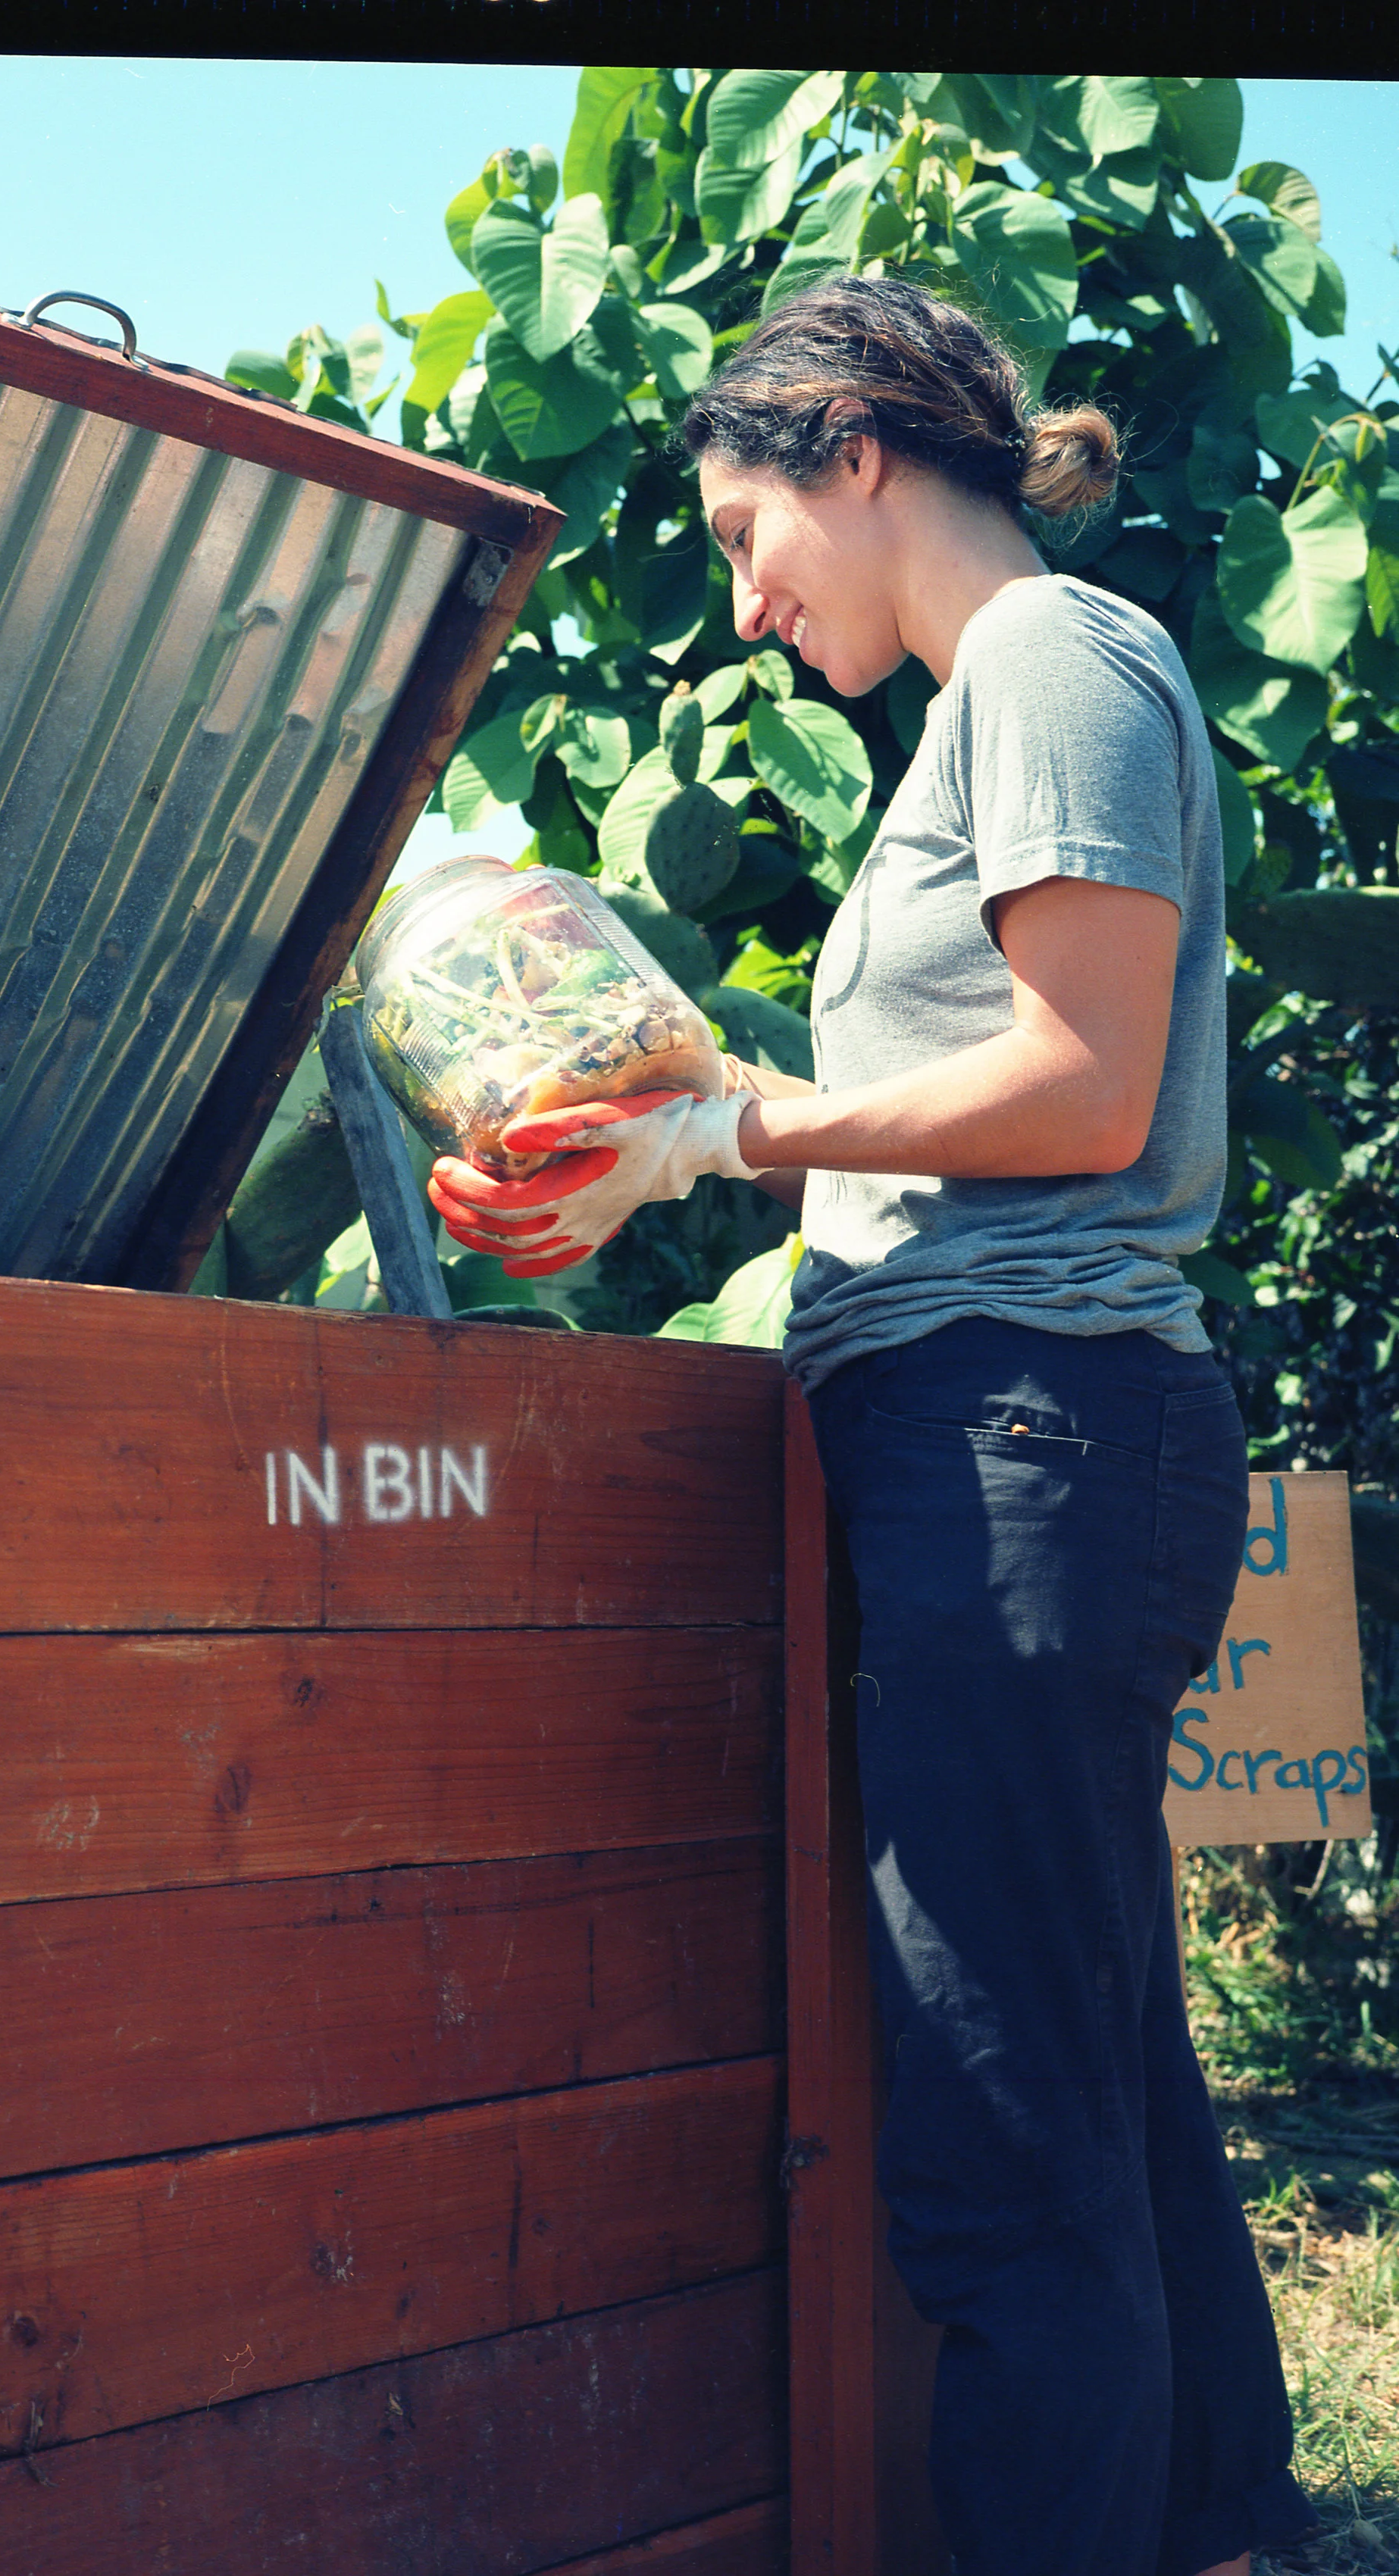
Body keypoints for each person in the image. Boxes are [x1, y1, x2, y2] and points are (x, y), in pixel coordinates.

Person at [428, 275, 1319, 2576]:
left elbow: (1082, 1086)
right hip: (1024, 1439)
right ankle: (1218, 2525)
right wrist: (656, 1134)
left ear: (853, 449)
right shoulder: (989, 703)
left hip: (1028, 1432)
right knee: (1093, 2058)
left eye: (748, 533)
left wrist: (728, 1136)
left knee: (1000, 2117)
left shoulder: (1047, 658)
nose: (742, 605)